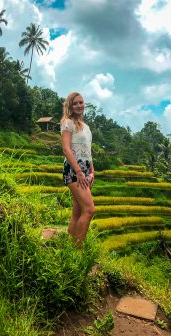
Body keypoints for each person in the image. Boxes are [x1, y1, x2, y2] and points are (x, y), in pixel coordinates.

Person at [60, 92, 95, 246]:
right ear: (70, 106)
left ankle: (70, 247)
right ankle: (78, 249)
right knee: (89, 210)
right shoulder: (67, 123)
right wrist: (80, 172)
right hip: (74, 169)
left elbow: (88, 151)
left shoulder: (86, 127)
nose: (79, 105)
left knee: (78, 212)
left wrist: (92, 171)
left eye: (81, 102)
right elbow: (66, 150)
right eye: (75, 103)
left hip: (85, 170)